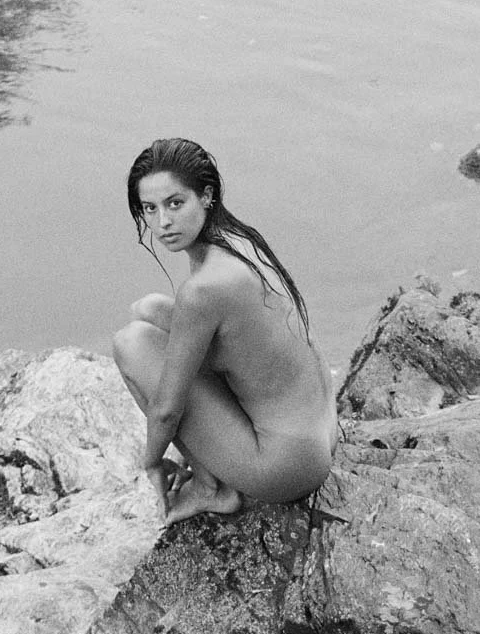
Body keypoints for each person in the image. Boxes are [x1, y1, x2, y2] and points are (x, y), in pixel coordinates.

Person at [113, 138, 338, 525]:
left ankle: (211, 487)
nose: (163, 222)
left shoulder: (204, 290)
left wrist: (151, 463)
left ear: (206, 196)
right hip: (320, 433)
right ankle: (217, 470)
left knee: (130, 343)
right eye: (150, 208)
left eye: (175, 203)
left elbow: (166, 411)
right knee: (146, 309)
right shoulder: (240, 241)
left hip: (285, 467)